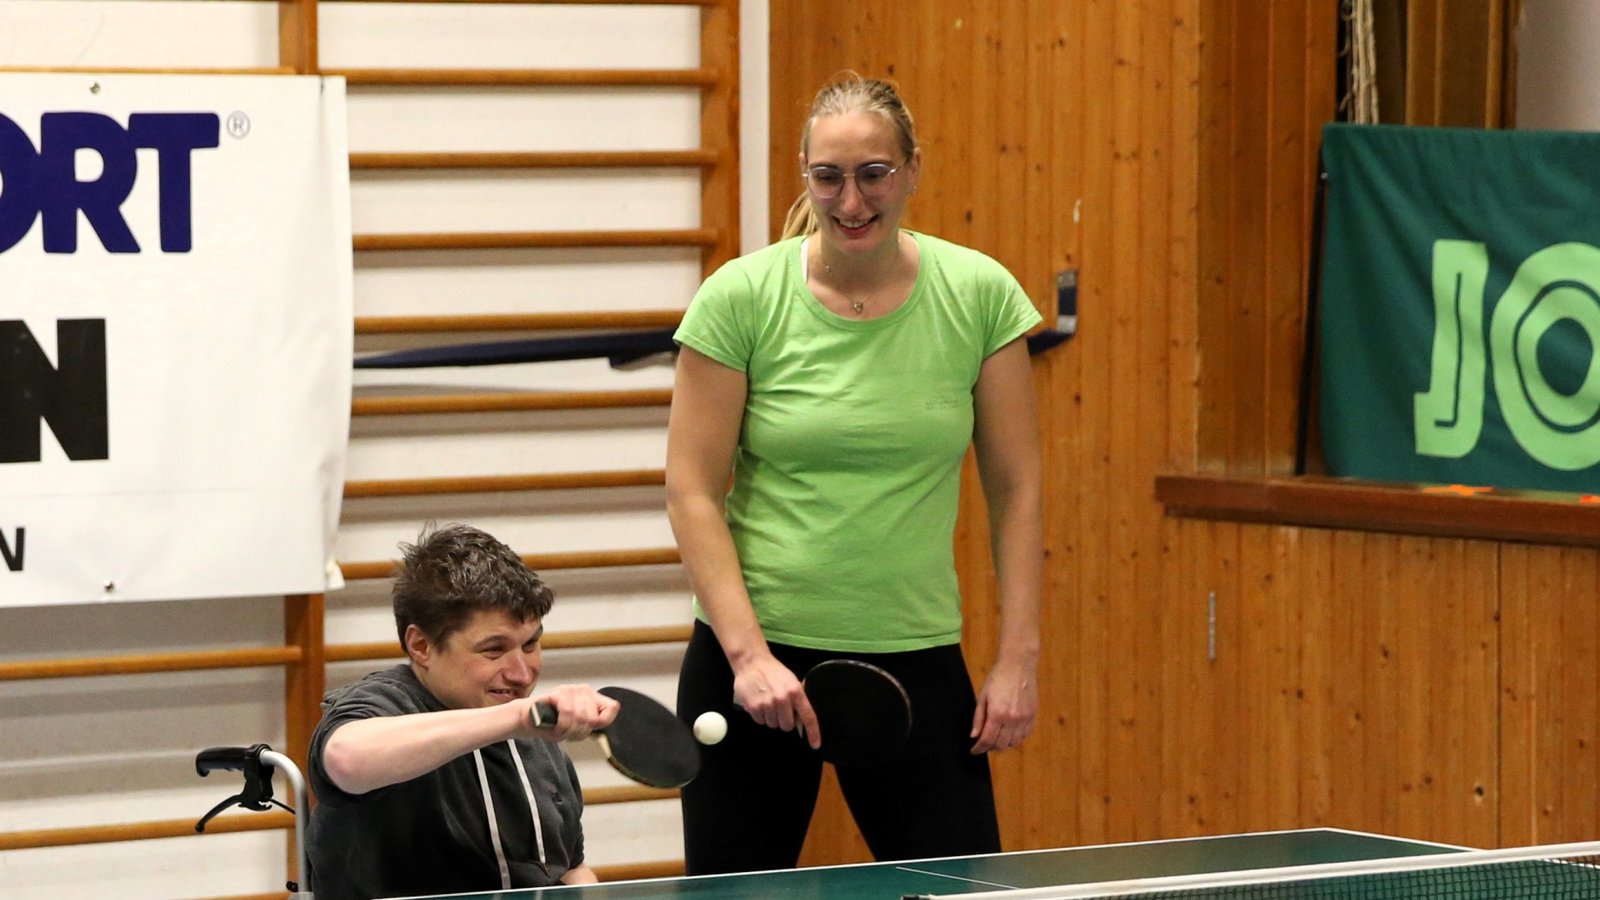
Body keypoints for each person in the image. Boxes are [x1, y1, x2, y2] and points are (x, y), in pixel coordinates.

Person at [666, 74, 1044, 874]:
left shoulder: (979, 296)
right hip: (754, 669)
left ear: (911, 171)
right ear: (804, 174)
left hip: (912, 655)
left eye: (873, 173)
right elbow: (693, 490)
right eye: (828, 177)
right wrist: (748, 657)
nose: (851, 201)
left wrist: (1018, 659)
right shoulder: (739, 298)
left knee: (961, 893)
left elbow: (1016, 490)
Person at [306, 523, 620, 899]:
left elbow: (569, 869)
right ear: (421, 645)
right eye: (493, 649)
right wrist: (516, 718)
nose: (522, 674)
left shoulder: (539, 741)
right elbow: (346, 760)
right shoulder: (385, 703)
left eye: (531, 645)